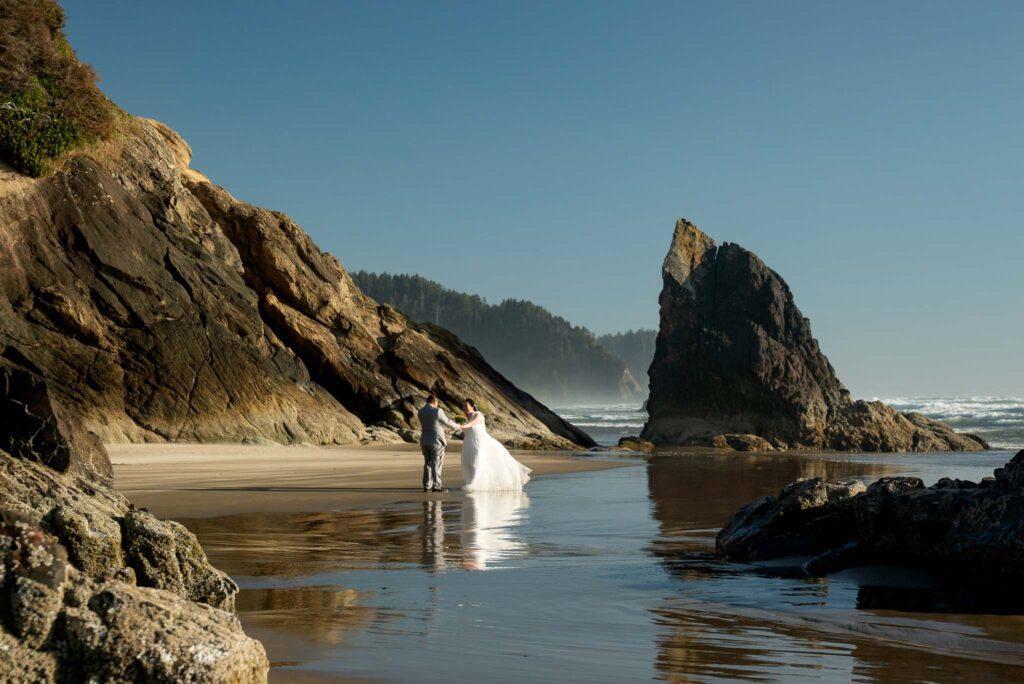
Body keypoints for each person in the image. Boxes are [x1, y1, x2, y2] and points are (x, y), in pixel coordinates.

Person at [458, 398, 531, 491]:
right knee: (469, 462)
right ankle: (471, 481)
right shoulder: (465, 419)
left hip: (479, 442)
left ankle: (474, 483)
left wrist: (463, 426)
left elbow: (473, 423)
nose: (464, 408)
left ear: (472, 406)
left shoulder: (478, 414)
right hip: (468, 443)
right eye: (463, 406)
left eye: (466, 406)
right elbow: (462, 427)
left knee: (477, 461)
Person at [417, 394, 459, 493]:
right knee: (437, 463)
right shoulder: (437, 411)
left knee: (428, 463)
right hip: (436, 441)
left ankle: (427, 486)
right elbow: (447, 421)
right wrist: (456, 426)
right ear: (435, 402)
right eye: (437, 403)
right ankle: (437, 486)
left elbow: (431, 424)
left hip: (424, 440)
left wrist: (443, 429)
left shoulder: (420, 412)